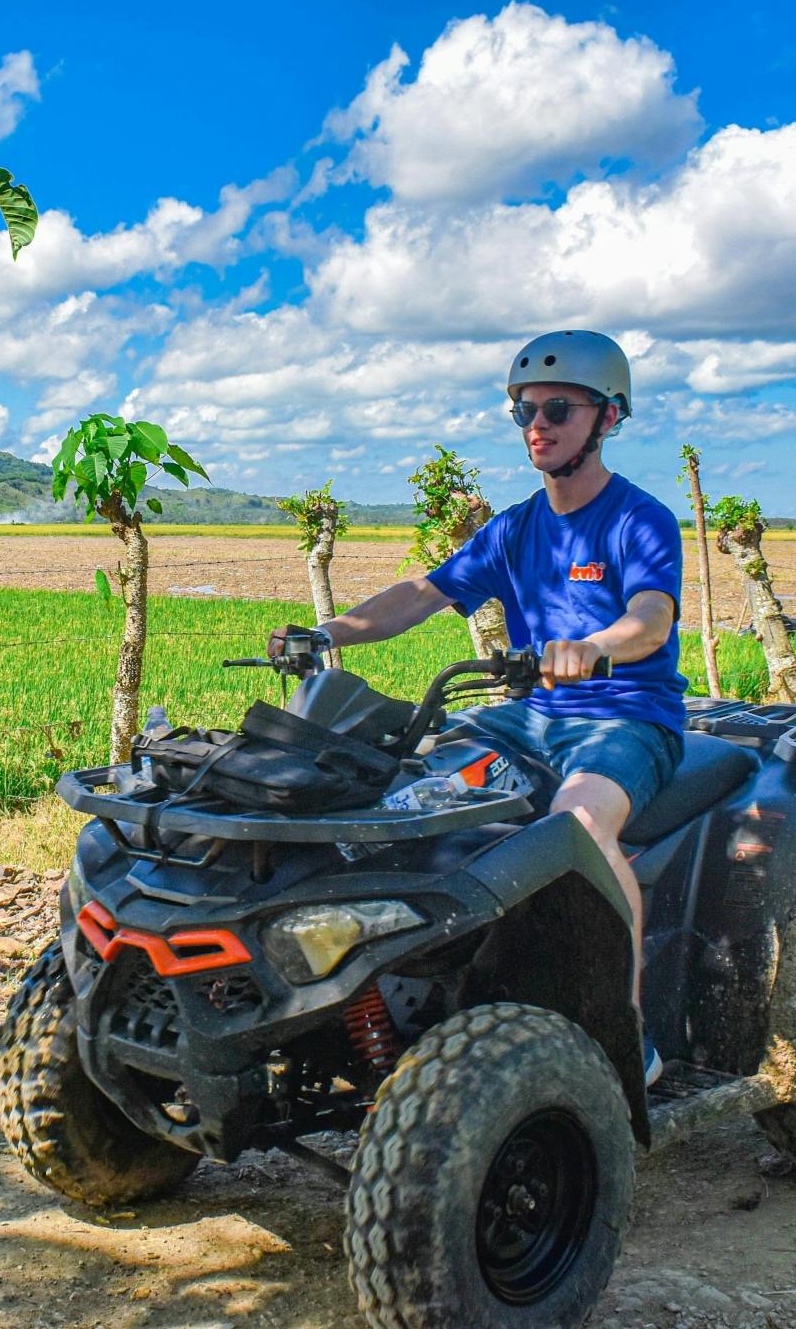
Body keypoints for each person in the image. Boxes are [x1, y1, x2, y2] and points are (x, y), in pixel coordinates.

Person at [267, 329, 686, 1086]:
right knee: (406, 790)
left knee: (582, 828)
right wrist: (328, 631)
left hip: (626, 717)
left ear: (609, 418)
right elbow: (424, 593)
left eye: (558, 407)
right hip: (526, 717)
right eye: (523, 409)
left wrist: (593, 646)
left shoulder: (639, 520)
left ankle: (630, 1027)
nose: (537, 424)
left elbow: (651, 617)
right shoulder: (516, 527)